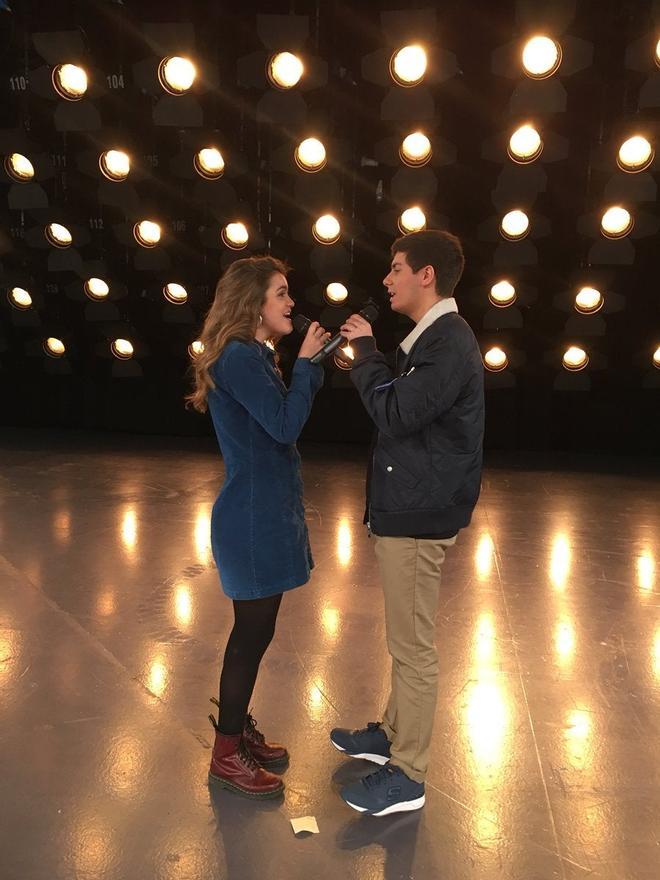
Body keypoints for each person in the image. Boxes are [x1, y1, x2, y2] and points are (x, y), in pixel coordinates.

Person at [330, 229, 484, 816]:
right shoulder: (430, 339)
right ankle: (393, 734)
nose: (387, 279)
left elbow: (396, 413)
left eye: (396, 268)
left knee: (413, 647)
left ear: (427, 276)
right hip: (408, 507)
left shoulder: (448, 341)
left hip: (420, 514)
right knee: (403, 638)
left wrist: (366, 353)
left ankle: (409, 774)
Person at [188, 255, 329, 799]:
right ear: (254, 303)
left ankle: (235, 727)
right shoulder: (243, 358)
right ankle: (227, 753)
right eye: (281, 293)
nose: (291, 302)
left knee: (258, 631)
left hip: (262, 514)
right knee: (249, 636)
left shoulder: (252, 356)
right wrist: (310, 365)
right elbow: (285, 424)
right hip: (251, 520)